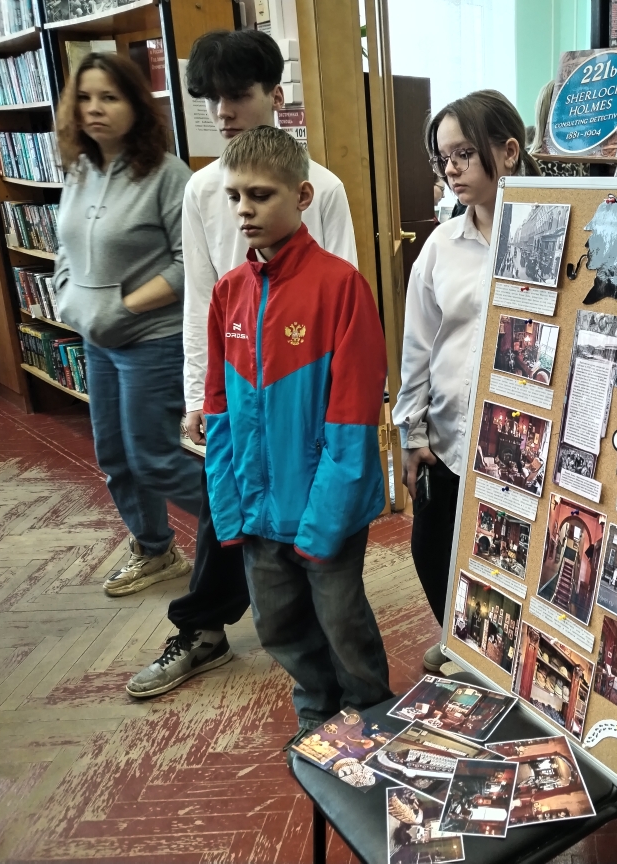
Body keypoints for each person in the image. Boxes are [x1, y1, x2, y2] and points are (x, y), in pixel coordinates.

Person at [126, 28, 358, 699]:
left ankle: (337, 661)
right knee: (228, 510)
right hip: (235, 384)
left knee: (308, 521)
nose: (222, 112)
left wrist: (332, 403)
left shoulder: (322, 187)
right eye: (211, 100)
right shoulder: (204, 190)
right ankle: (205, 628)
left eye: (237, 96)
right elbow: (201, 296)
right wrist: (200, 395)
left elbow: (344, 291)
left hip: (299, 386)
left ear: (275, 96)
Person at [204, 125, 391, 737]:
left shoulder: (341, 287)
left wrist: (323, 520)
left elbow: (353, 418)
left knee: (342, 623)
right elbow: (218, 411)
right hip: (259, 509)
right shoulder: (228, 294)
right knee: (277, 625)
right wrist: (229, 504)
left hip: (325, 508)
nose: (244, 210)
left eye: (260, 195)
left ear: (303, 196)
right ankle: (317, 714)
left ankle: (371, 718)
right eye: (235, 196)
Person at [393, 90, 540, 674]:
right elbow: (418, 345)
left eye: (463, 153)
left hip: (526, 442)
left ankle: (502, 661)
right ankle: (465, 641)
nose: (450, 168)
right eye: (442, 157)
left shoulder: (552, 233)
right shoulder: (441, 245)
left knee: (513, 555)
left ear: (508, 151)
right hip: (451, 437)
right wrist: (412, 431)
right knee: (432, 549)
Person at [53, 53, 199, 597]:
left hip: (152, 341)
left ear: (136, 106)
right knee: (115, 456)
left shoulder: (168, 174)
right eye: (85, 98)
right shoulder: (80, 170)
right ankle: (156, 550)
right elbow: (65, 246)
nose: (94, 108)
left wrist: (125, 306)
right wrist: (66, 295)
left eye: (109, 97)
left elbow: (190, 264)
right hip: (97, 341)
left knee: (156, 460)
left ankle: (247, 531)